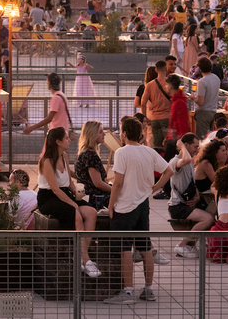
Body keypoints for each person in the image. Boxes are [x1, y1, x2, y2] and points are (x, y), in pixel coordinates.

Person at [105, 117, 173, 305]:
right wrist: (155, 187)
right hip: (143, 204)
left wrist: (110, 205)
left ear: (124, 133)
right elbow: (168, 171)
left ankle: (127, 292)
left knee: (125, 249)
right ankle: (148, 289)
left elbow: (117, 183)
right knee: (145, 248)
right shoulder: (148, 152)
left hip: (125, 206)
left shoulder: (122, 152)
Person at [35, 127, 101, 277]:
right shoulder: (46, 161)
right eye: (66, 138)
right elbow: (55, 189)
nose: (69, 140)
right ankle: (86, 260)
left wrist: (77, 193)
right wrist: (74, 204)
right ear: (58, 142)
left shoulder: (64, 156)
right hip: (48, 197)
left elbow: (68, 183)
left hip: (64, 193)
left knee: (91, 212)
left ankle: (81, 256)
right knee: (75, 214)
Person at [168, 133, 214, 258]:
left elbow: (193, 184)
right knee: (208, 219)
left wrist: (198, 197)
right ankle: (182, 245)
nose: (197, 149)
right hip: (177, 206)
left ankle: (190, 245)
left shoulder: (189, 162)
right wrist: (181, 146)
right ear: (186, 145)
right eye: (195, 146)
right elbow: (186, 159)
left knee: (212, 211)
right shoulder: (176, 161)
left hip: (187, 203)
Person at [74, 120, 114, 211]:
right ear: (92, 135)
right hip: (95, 198)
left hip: (85, 196)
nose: (104, 134)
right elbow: (98, 183)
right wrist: (116, 191)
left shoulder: (83, 153)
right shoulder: (91, 155)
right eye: (100, 132)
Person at [23, 73, 70, 138]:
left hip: (56, 134)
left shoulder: (56, 98)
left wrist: (32, 127)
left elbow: (49, 119)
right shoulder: (62, 95)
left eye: (47, 82)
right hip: (62, 132)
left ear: (50, 84)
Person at [140, 72, 173, 150]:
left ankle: (153, 158)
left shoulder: (147, 87)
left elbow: (142, 104)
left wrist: (144, 117)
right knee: (166, 144)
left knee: (154, 143)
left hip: (151, 118)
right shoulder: (165, 86)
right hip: (164, 117)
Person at [192, 57, 220, 138]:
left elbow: (200, 101)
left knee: (202, 138)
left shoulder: (202, 81)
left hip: (203, 112)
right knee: (210, 137)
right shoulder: (216, 78)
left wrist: (193, 97)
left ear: (200, 68)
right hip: (213, 111)